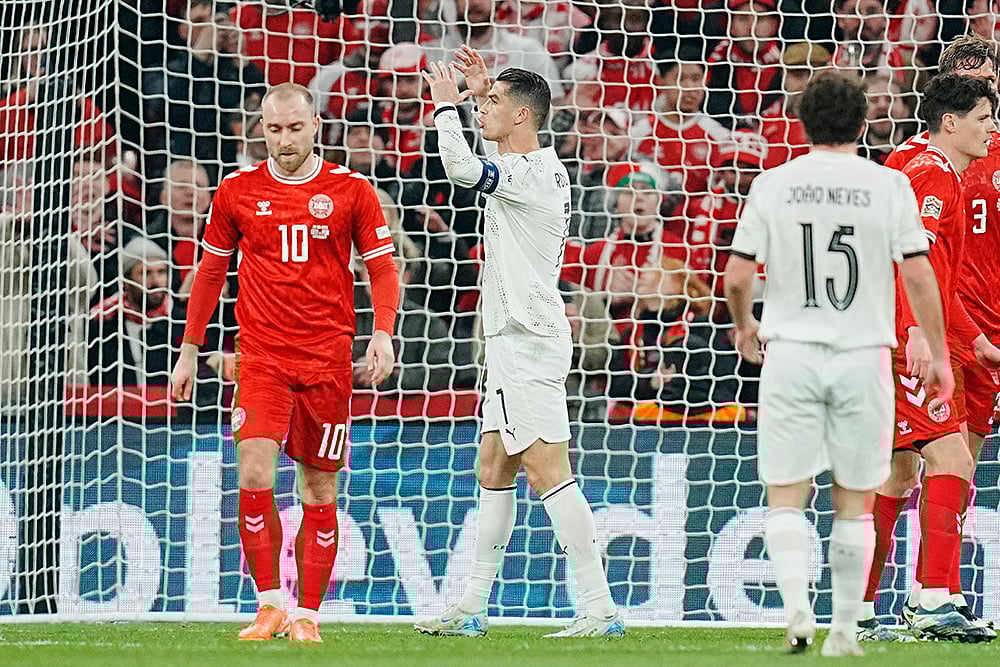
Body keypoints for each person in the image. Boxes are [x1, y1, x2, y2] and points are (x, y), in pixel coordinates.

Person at [724, 71, 953, 657]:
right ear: (863, 123)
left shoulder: (773, 184)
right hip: (861, 356)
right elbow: (918, 272)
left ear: (803, 123)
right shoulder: (889, 185)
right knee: (855, 498)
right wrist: (938, 349)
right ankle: (845, 629)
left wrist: (744, 325)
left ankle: (797, 612)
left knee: (786, 493)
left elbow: (738, 275)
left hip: (792, 355)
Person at [170, 82, 400, 642]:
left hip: (327, 362)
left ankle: (308, 615)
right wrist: (189, 350)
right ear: (262, 130)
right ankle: (270, 603)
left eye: (295, 127)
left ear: (315, 124)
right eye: (274, 129)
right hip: (262, 357)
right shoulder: (237, 190)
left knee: (319, 491)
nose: (285, 139)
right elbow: (210, 273)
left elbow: (381, 268)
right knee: (253, 472)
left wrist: (383, 332)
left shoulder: (352, 190)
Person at [413, 46, 624, 638]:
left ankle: (599, 607)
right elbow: (492, 157)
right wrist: (483, 91)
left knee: (548, 472)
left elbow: (464, 170)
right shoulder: (524, 166)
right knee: (493, 466)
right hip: (509, 342)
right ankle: (471, 606)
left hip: (529, 341)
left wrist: (446, 108)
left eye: (495, 103)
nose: (484, 110)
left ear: (524, 115)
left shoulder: (533, 175)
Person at [860, 35, 1000, 642]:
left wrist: (973, 339)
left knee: (900, 472)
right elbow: (910, 263)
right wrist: (921, 332)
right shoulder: (931, 173)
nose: (991, 125)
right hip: (911, 339)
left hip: (919, 333)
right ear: (951, 117)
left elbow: (930, 271)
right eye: (982, 113)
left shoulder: (918, 160)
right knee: (950, 459)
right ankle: (932, 600)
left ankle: (867, 606)